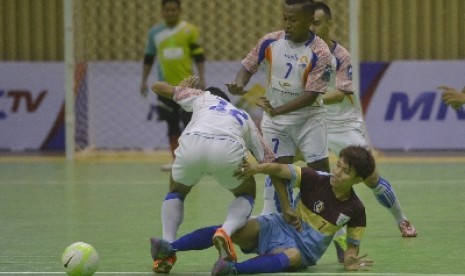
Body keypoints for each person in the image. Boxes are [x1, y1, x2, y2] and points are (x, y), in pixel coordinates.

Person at [150, 145, 375, 275]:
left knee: (294, 256)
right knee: (233, 230)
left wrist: (350, 259)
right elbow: (279, 169)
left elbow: (352, 248)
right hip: (278, 226)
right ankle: (169, 247)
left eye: (346, 172)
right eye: (338, 165)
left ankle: (233, 269)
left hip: (303, 252)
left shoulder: (356, 210)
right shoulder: (314, 179)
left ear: (358, 180)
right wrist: (258, 169)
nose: (337, 172)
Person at [308, 1, 417, 261]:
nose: (312, 27)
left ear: (329, 23)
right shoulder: (300, 53)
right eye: (309, 22)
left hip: (345, 125)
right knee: (301, 172)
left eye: (317, 22)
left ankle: (401, 219)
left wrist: (312, 98)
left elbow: (343, 92)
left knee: (371, 178)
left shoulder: (341, 55)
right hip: (314, 123)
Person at [149, 76, 282, 273]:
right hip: (226, 149)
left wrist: (180, 89)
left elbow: (156, 87)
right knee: (246, 192)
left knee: (177, 190)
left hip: (193, 144)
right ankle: (225, 231)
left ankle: (167, 248)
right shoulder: (242, 115)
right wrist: (285, 204)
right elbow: (271, 163)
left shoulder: (202, 97)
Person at [226, 0, 332, 215]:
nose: (287, 24)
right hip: (276, 122)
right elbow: (248, 66)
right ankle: (278, 217)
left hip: (309, 119)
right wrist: (239, 83)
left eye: (293, 20)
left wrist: (278, 111)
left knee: (320, 174)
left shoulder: (320, 52)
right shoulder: (270, 41)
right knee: (278, 172)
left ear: (310, 21)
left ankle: (332, 225)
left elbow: (311, 96)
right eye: (285, 18)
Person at [140, 0, 206, 171]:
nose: (170, 13)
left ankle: (192, 161)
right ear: (162, 11)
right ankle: (177, 161)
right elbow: (149, 57)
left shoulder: (189, 30)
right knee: (172, 125)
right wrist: (143, 80)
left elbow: (199, 56)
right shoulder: (155, 33)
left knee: (190, 125)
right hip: (166, 89)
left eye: (173, 10)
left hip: (188, 87)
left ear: (179, 11)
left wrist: (202, 79)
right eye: (167, 10)